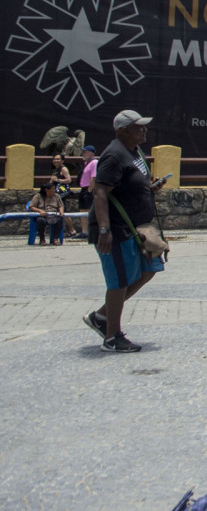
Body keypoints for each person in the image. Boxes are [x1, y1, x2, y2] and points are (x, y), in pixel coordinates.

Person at [82, 110, 167, 353]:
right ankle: (112, 337)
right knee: (119, 281)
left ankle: (101, 316)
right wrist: (104, 230)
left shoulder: (135, 151)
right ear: (123, 130)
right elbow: (100, 192)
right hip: (117, 227)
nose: (144, 129)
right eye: (138, 126)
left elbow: (131, 185)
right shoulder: (114, 155)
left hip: (140, 226)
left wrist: (150, 189)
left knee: (151, 268)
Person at [47, 153, 79, 238]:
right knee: (59, 211)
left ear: (62, 161)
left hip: (61, 194)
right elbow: (51, 181)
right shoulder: (55, 170)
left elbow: (69, 180)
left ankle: (72, 230)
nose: (56, 161)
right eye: (54, 159)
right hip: (55, 193)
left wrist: (58, 180)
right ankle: (63, 230)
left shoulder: (63, 169)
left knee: (63, 211)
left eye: (58, 159)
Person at [78, 145, 98, 236]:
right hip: (83, 188)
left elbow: (94, 177)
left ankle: (91, 231)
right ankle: (84, 231)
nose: (83, 154)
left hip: (89, 189)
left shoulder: (94, 162)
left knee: (88, 209)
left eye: (85, 152)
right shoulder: (86, 163)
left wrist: (89, 190)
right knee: (82, 209)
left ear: (91, 153)